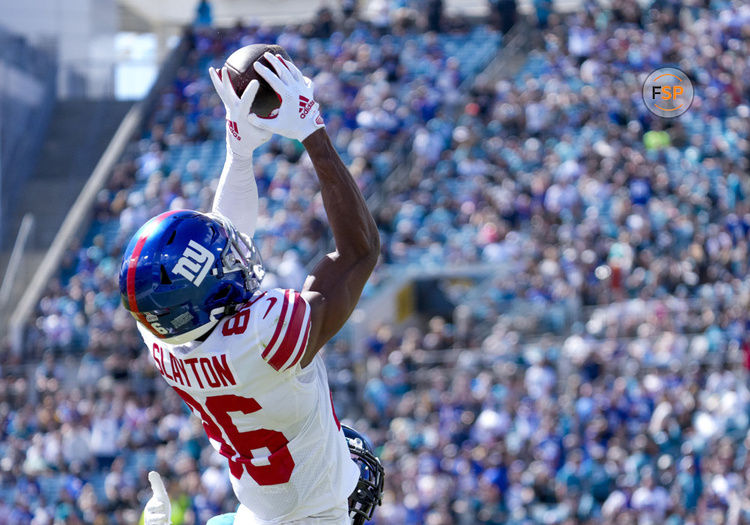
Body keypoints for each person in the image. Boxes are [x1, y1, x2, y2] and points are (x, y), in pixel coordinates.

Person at [122, 52, 382, 524]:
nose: (234, 254)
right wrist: (312, 131)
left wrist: (238, 153)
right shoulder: (264, 335)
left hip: (253, 512)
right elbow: (358, 253)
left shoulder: (160, 332)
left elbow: (226, 231)